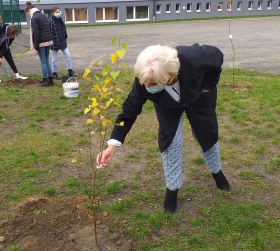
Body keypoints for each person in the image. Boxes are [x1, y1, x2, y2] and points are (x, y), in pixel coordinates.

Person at [97, 44, 230, 213]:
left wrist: (209, 85)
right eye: (147, 83)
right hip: (166, 104)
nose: (149, 87)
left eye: (154, 83)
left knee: (206, 133)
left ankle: (217, 172)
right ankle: (172, 189)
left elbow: (217, 56)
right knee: (170, 141)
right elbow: (129, 111)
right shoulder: (144, 82)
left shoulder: (194, 58)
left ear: (170, 76)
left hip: (199, 97)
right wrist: (112, 146)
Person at [25, 1, 54, 87]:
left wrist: (36, 47)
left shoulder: (34, 18)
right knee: (47, 61)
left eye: (27, 13)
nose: (28, 15)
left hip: (41, 42)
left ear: (29, 10)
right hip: (48, 41)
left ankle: (45, 80)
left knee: (43, 62)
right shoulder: (43, 15)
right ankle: (51, 80)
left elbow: (36, 34)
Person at [49, 6, 75, 79]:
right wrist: (52, 41)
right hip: (54, 43)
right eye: (56, 12)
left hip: (62, 41)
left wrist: (64, 38)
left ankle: (70, 71)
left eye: (59, 12)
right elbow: (50, 33)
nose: (58, 13)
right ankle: (54, 73)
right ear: (52, 13)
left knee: (68, 55)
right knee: (54, 59)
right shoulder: (50, 21)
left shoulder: (60, 20)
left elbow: (63, 30)